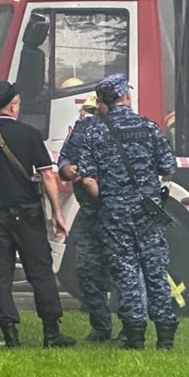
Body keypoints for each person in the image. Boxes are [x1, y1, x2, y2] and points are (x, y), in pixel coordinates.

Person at [59, 74, 178, 350]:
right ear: (126, 97)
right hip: (149, 210)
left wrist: (110, 199)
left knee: (126, 270)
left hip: (114, 212)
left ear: (103, 101)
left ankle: (134, 335)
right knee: (155, 271)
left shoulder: (94, 131)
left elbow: (87, 178)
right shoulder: (148, 127)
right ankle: (166, 337)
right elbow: (168, 166)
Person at [0, 80, 74, 348]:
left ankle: (10, 334)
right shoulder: (30, 134)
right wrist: (57, 212)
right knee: (41, 272)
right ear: (13, 106)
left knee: (0, 275)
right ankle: (51, 333)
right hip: (28, 214)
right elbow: (47, 174)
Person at [60, 97, 114, 341]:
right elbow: (64, 160)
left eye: (93, 110)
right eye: (87, 111)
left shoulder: (126, 128)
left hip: (118, 214)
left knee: (124, 272)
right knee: (86, 269)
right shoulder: (82, 130)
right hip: (91, 213)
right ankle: (101, 327)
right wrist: (67, 169)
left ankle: (131, 329)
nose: (90, 115)